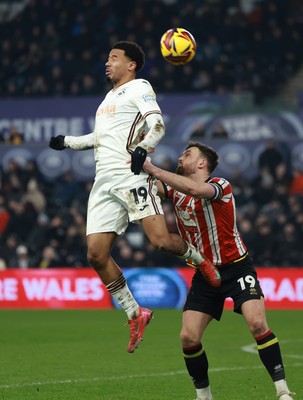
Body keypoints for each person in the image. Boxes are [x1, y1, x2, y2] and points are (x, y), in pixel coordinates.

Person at [49, 41, 221, 353]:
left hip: (130, 175)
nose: (107, 62)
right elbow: (100, 138)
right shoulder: (107, 99)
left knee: (160, 241)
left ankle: (201, 260)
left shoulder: (140, 87)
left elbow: (157, 124)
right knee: (95, 254)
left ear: (131, 65)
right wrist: (67, 142)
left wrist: (144, 147)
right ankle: (134, 311)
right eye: (107, 57)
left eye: (114, 58)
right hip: (104, 181)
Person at [143, 142, 295, 400]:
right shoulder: (173, 189)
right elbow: (148, 188)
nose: (181, 157)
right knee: (188, 337)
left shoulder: (220, 185)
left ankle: (282, 391)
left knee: (257, 324)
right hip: (204, 271)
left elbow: (194, 189)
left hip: (237, 267)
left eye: (187, 154)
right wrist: (130, 162)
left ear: (202, 163)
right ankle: (204, 396)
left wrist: (151, 168)